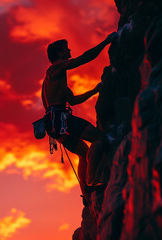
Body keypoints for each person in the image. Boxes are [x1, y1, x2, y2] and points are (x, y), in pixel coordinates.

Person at [42, 32, 117, 203]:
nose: (69, 51)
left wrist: (94, 90)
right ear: (59, 54)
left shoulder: (50, 81)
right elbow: (84, 58)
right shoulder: (57, 67)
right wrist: (105, 42)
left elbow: (73, 100)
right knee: (98, 139)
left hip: (53, 124)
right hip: (62, 119)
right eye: (66, 49)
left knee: (84, 153)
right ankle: (90, 183)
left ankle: (86, 194)